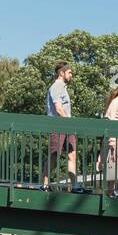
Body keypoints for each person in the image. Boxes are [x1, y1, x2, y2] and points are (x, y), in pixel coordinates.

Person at [44, 62, 78, 190]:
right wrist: (68, 122)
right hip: (59, 126)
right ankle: (45, 184)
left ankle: (75, 186)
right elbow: (58, 109)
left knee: (72, 154)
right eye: (69, 72)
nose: (71, 75)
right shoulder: (57, 86)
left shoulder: (63, 87)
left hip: (67, 126)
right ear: (61, 73)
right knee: (54, 155)